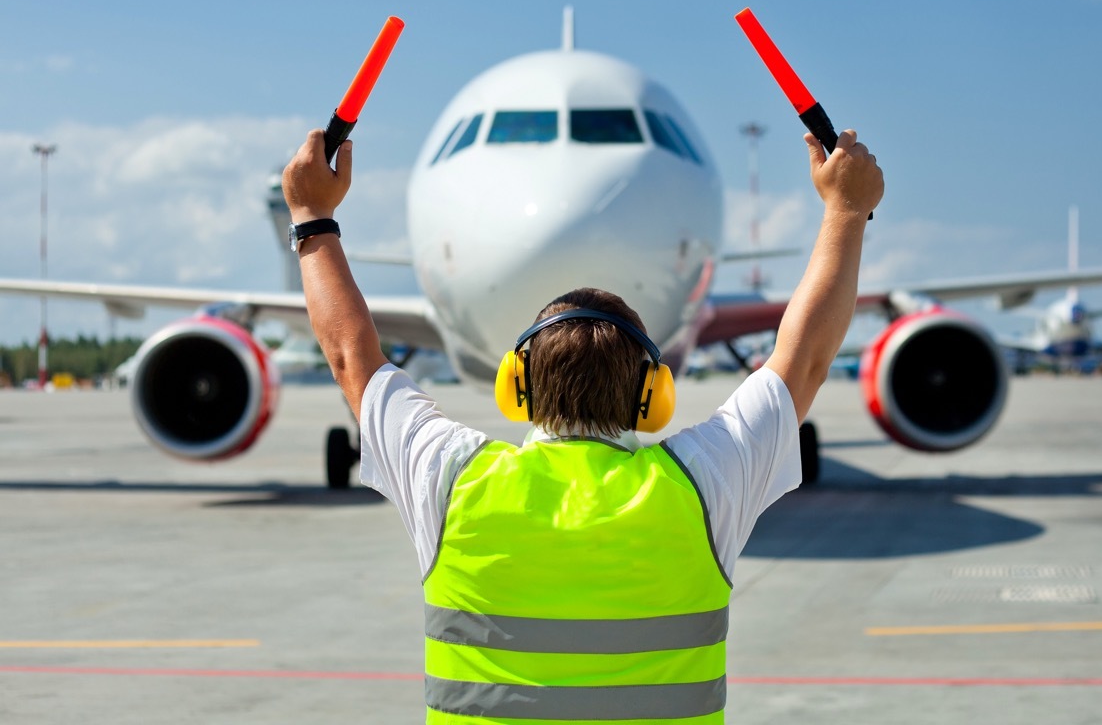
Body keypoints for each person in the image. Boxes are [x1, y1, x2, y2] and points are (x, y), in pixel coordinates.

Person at [282, 126, 883, 723]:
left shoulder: (453, 481)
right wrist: (847, 211)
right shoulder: (701, 487)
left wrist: (312, 216)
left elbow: (348, 355)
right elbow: (804, 359)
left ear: (516, 387)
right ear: (654, 395)